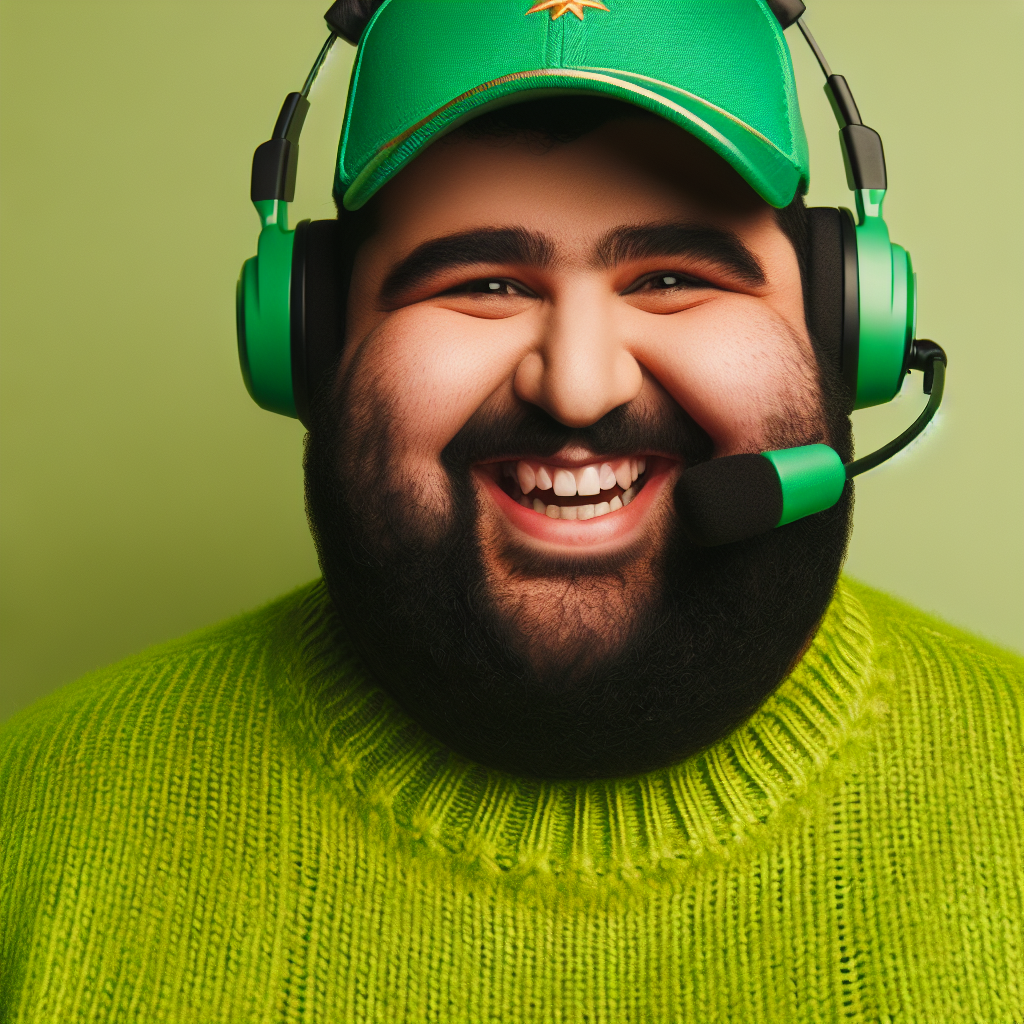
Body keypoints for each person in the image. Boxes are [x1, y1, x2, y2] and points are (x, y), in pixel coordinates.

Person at [1, 1, 1020, 1020]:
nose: (577, 388)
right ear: (302, 339)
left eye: (671, 277)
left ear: (854, 327)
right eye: (482, 282)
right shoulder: (30, 821)